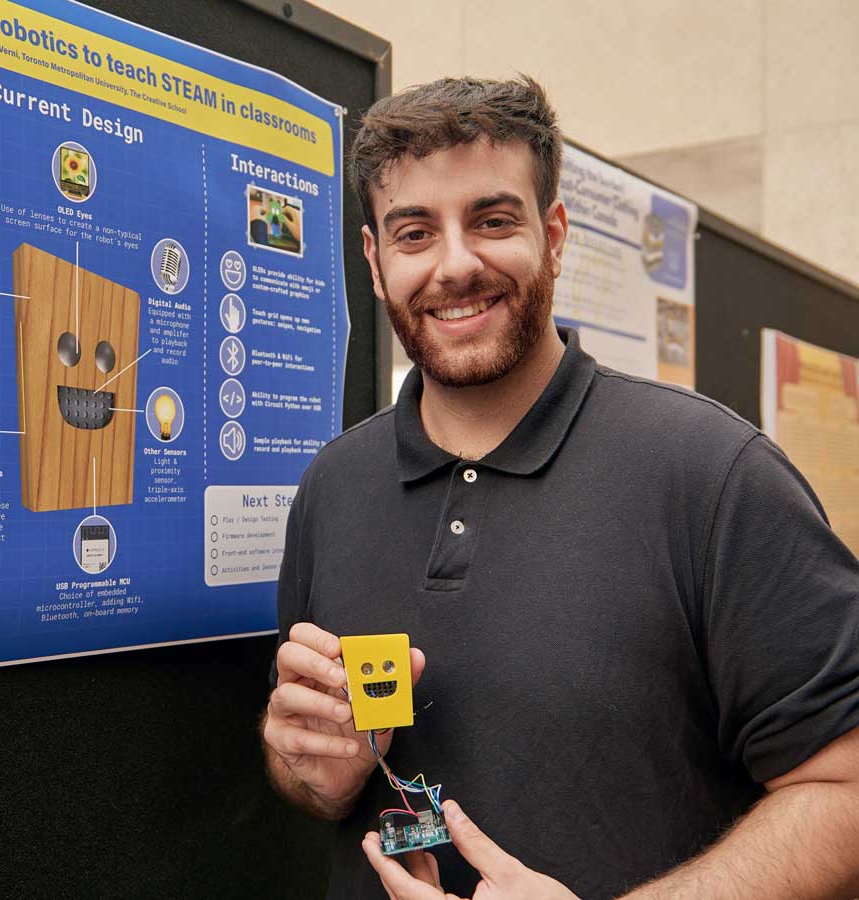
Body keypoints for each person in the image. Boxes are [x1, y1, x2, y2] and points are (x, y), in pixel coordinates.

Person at [262, 76, 859, 900]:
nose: (456, 265)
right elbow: (311, 780)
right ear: (374, 261)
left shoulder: (714, 475)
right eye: (415, 233)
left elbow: (845, 789)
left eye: (492, 221)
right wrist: (307, 767)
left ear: (553, 235)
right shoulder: (331, 487)